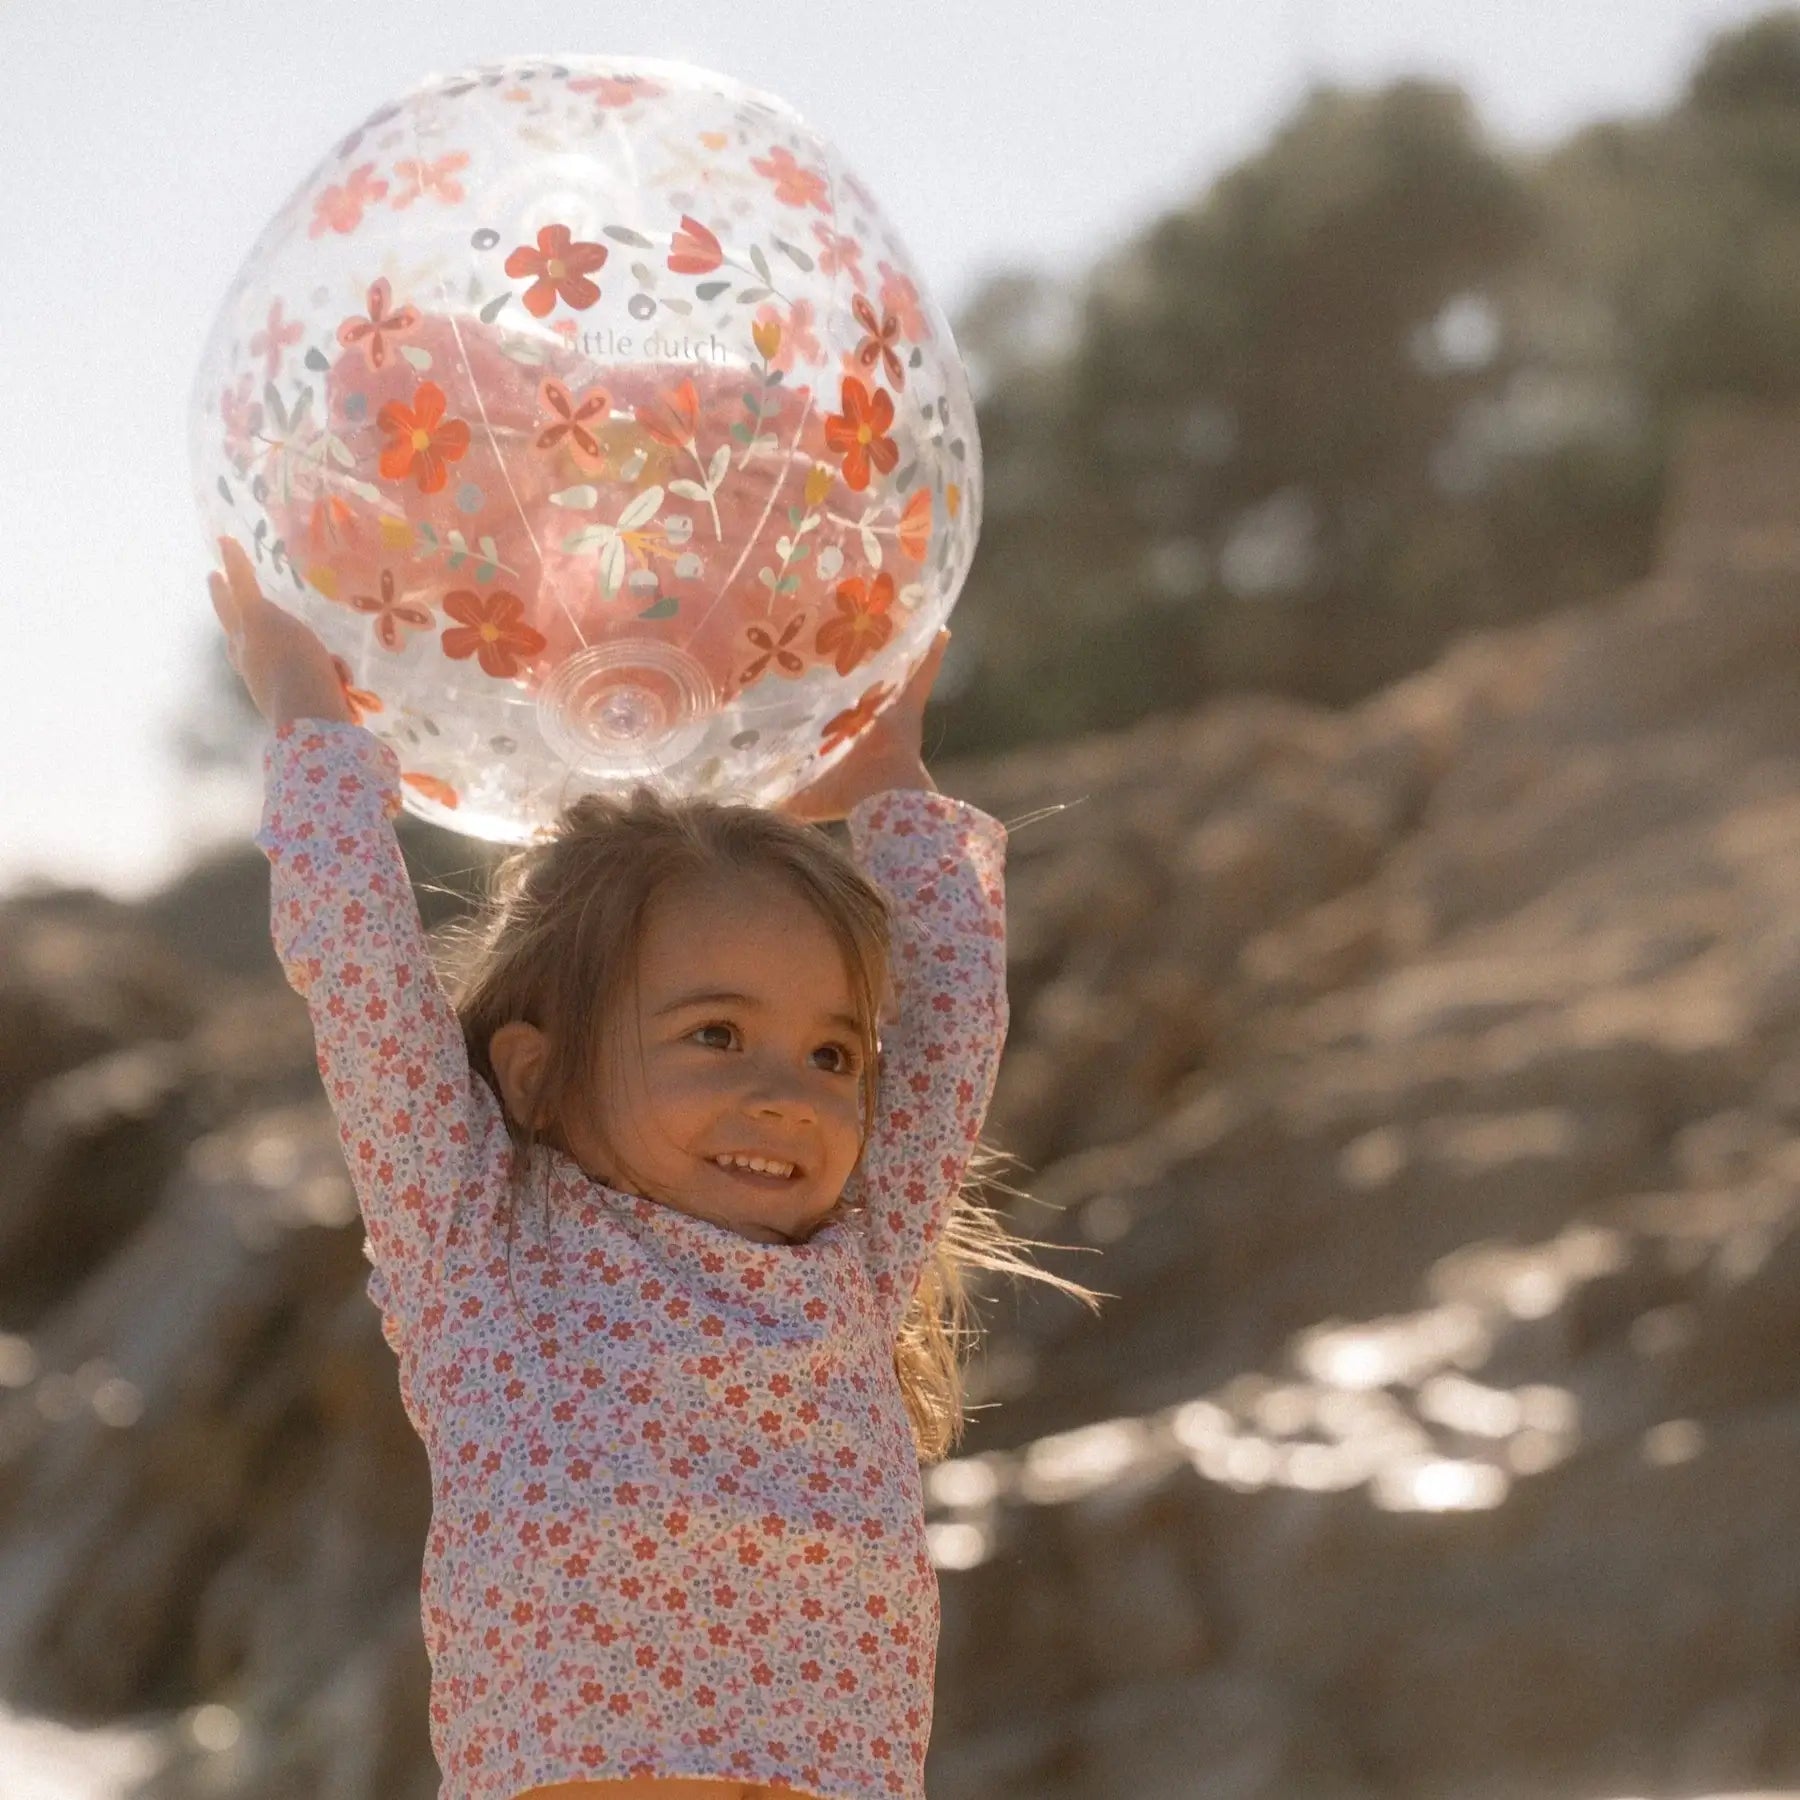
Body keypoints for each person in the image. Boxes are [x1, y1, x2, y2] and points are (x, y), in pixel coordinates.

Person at [207, 537, 1097, 1800]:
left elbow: (955, 1024)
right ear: (532, 1073)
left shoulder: (853, 1270)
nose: (787, 1095)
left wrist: (895, 788)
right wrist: (307, 713)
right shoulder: (481, 1251)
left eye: (836, 1053)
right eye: (716, 1035)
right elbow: (356, 966)